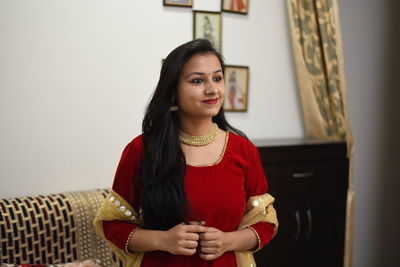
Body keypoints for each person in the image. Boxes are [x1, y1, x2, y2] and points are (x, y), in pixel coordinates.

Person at [93, 39, 278, 267]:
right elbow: (112, 224)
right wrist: (163, 239)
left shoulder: (243, 150)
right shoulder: (142, 150)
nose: (212, 89)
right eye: (198, 80)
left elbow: (265, 222)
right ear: (172, 92)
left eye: (217, 78)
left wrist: (228, 241)